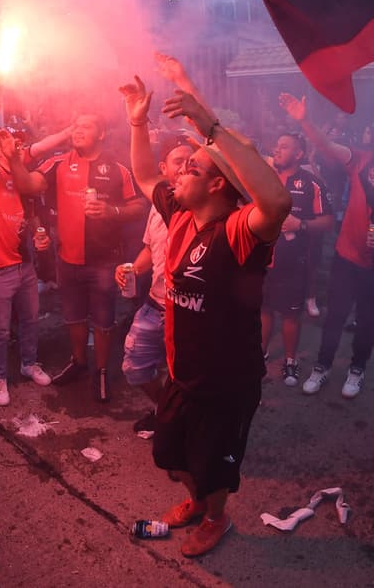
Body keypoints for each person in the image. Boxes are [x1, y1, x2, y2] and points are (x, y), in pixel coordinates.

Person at [120, 73, 289, 557]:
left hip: (225, 383)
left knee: (214, 465)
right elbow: (146, 177)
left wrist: (210, 126)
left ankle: (216, 517)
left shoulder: (237, 231)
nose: (177, 173)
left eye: (190, 169)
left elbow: (276, 201)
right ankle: (196, 501)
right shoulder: (179, 215)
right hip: (182, 374)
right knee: (172, 454)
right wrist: (137, 124)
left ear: (217, 183)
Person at [282, 95, 374, 399]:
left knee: (366, 320)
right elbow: (326, 146)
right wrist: (304, 120)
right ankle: (321, 367)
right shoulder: (360, 161)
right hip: (346, 257)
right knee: (335, 316)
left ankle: (357, 369)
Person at [33, 112, 147, 402]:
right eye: (76, 125)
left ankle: (101, 372)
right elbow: (27, 180)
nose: (78, 130)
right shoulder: (58, 162)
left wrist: (113, 212)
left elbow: (138, 206)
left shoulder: (118, 167)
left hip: (104, 261)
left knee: (103, 320)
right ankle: (79, 362)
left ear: (102, 134)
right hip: (67, 258)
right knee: (73, 317)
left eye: (86, 126)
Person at [0, 88, 51, 407]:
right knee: (0, 330)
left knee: (31, 319)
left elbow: (31, 219)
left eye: (6, 149)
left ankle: (29, 363)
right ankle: (0, 377)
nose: (2, 153)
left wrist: (40, 235)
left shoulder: (21, 179)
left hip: (25, 267)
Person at [116, 138, 193, 437]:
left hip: (187, 312)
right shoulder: (158, 205)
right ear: (163, 168)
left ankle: (182, 429)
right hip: (154, 304)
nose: (185, 167)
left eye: (191, 161)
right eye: (178, 161)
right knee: (135, 366)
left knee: (183, 377)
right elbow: (150, 249)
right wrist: (131, 269)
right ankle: (168, 413)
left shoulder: (200, 210)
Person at [262, 132, 334, 386]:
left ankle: (290, 361)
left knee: (291, 315)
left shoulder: (311, 183)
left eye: (284, 146)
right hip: (261, 260)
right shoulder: (264, 177)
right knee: (264, 310)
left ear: (299, 154)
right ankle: (262, 354)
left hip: (293, 262)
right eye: (277, 145)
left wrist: (300, 224)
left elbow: (328, 221)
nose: (277, 149)